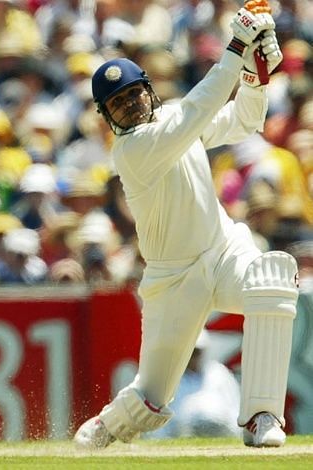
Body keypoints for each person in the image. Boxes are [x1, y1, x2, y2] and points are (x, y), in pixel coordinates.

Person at [73, 8, 299, 449]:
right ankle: (112, 423)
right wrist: (236, 49)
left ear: (147, 91)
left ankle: (261, 415)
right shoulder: (132, 152)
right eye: (119, 104)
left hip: (223, 250)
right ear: (108, 116)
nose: (131, 105)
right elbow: (197, 112)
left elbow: (244, 122)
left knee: (271, 278)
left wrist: (255, 77)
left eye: (134, 95)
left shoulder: (175, 119)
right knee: (152, 400)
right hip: (173, 278)